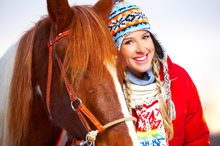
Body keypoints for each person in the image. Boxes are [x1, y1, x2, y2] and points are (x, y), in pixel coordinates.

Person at [108, 0, 210, 145]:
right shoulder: (107, 91)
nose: (142, 49)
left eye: (145, 37)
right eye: (129, 42)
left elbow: (197, 139)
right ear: (116, 50)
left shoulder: (179, 79)